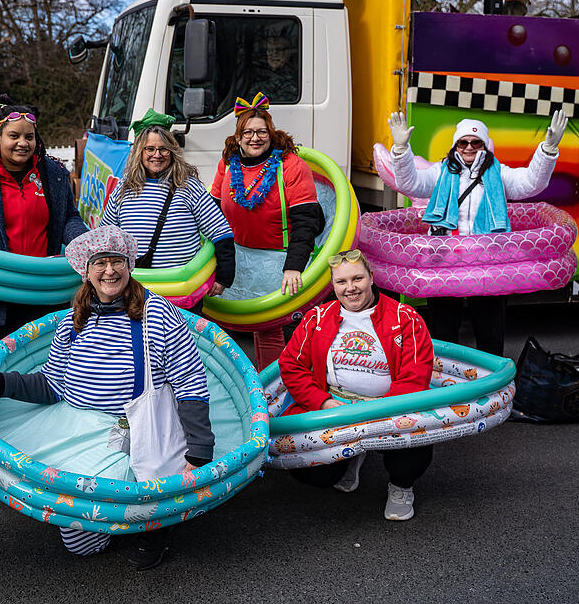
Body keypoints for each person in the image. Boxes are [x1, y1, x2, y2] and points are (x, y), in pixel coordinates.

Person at [0, 226, 214, 569]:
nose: (109, 271)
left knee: (152, 500)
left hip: (137, 428)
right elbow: (51, 385)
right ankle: (117, 523)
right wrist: (0, 382)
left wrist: (199, 450)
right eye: (100, 263)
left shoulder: (157, 315)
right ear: (86, 271)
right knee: (80, 543)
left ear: (129, 265)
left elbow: (189, 382)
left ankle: (155, 531)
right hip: (76, 426)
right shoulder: (72, 321)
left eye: (117, 262)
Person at [388, 110, 567, 356]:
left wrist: (547, 150)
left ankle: (491, 388)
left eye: (475, 142)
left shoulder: (499, 172)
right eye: (463, 142)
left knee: (490, 335)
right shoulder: (440, 171)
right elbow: (410, 183)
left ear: (484, 145)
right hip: (444, 262)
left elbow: (531, 183)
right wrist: (401, 149)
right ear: (455, 145)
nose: (469, 147)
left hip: (488, 264)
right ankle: (446, 387)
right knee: (443, 332)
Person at [278, 249, 434, 520]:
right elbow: (291, 365)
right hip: (336, 406)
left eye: (357, 278)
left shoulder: (406, 318)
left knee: (413, 447)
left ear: (371, 278)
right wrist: (323, 402)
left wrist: (377, 411)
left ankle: (401, 486)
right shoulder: (316, 318)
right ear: (333, 285)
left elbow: (416, 376)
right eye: (341, 282)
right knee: (313, 473)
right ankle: (350, 457)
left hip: (390, 407)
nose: (350, 288)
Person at [0, 94, 87, 357]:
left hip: (42, 295)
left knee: (41, 372)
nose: (22, 143)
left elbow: (68, 218)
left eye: (29, 137)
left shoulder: (53, 174)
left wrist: (87, 243)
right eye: (14, 136)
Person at [100, 109, 234, 307]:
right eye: (150, 149)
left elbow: (221, 232)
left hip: (180, 292)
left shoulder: (188, 186)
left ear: (172, 151)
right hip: (133, 291)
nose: (157, 155)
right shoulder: (124, 187)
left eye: (163, 149)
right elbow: (105, 235)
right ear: (139, 152)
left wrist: (224, 278)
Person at [210, 92, 323, 299]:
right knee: (234, 327)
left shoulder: (292, 166)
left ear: (271, 134)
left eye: (262, 132)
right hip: (236, 260)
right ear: (238, 136)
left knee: (271, 330)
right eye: (248, 132)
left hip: (279, 262)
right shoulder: (226, 165)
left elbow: (306, 222)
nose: (255, 138)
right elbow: (212, 216)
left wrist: (293, 267)